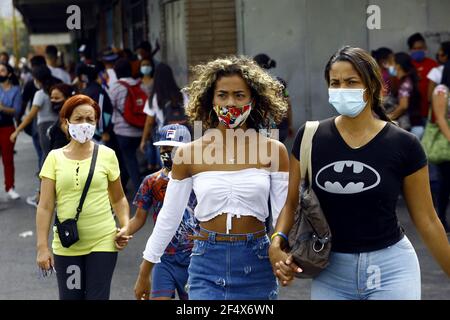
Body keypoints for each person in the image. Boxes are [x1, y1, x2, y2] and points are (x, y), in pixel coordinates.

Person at [269, 46, 450, 300]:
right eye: (335, 82)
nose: (342, 89)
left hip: (392, 269)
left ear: (372, 86)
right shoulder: (310, 137)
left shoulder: (404, 144)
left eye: (351, 82)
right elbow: (290, 203)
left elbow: (428, 221)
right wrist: (277, 241)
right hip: (330, 272)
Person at [134, 56, 289, 300]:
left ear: (253, 99)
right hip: (206, 263)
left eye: (239, 95)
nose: (231, 102)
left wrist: (281, 249)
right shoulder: (188, 153)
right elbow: (169, 216)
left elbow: (282, 213)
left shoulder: (274, 150)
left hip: (257, 262)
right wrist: (146, 269)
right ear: (210, 99)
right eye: (222, 95)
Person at [36, 94, 132, 300]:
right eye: (78, 119)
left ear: (96, 122)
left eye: (90, 119)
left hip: (103, 242)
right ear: (66, 123)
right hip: (67, 245)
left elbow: (118, 199)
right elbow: (45, 206)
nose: (85, 124)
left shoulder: (107, 155)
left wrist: (125, 226)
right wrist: (42, 248)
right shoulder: (54, 158)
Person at [129, 124, 197, 300]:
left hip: (194, 257)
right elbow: (138, 218)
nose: (167, 152)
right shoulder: (151, 181)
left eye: (172, 148)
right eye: (163, 148)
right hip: (163, 258)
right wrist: (121, 232)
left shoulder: (199, 181)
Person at [140, 62, 188, 172]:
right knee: (183, 169)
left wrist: (143, 141)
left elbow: (149, 122)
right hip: (182, 137)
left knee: (167, 170)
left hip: (165, 140)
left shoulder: (154, 98)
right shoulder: (182, 95)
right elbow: (192, 115)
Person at [11, 65, 60, 165]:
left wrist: (17, 130)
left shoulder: (40, 94)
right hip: (58, 125)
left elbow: (30, 116)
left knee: (46, 157)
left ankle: (45, 179)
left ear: (38, 80)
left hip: (44, 128)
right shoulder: (57, 90)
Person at [109, 58, 145, 193]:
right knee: (128, 159)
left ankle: (140, 191)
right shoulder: (139, 85)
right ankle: (123, 185)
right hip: (139, 129)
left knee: (129, 160)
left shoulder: (115, 87)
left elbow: (109, 106)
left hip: (122, 131)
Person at [254, 53, 294, 143]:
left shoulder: (254, 84)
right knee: (275, 153)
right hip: (281, 126)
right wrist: (290, 125)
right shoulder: (280, 82)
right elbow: (288, 105)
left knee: (267, 154)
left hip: (264, 127)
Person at [430, 62, 450, 233]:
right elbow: (440, 118)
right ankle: (441, 218)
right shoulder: (441, 90)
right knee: (445, 183)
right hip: (445, 143)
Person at [0, 62, 22, 200]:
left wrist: (2, 108)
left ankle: (10, 187)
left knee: (8, 159)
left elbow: (17, 111)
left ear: (9, 74)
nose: (0, 73)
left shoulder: (15, 90)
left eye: (2, 70)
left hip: (7, 127)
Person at [387, 52, 422, 137]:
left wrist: (386, 119)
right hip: (416, 124)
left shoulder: (406, 83)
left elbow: (403, 106)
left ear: (398, 66)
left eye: (391, 63)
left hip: (411, 126)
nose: (389, 66)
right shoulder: (408, 79)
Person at [407, 33, 438, 120]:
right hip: (412, 110)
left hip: (430, 110)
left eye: (420, 48)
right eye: (415, 48)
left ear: (425, 48)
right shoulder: (407, 65)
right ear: (410, 50)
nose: (418, 51)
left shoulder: (433, 64)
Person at [48, 83, 75, 150]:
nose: (53, 100)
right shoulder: (61, 115)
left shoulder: (69, 117)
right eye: (51, 98)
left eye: (57, 98)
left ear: (68, 99)